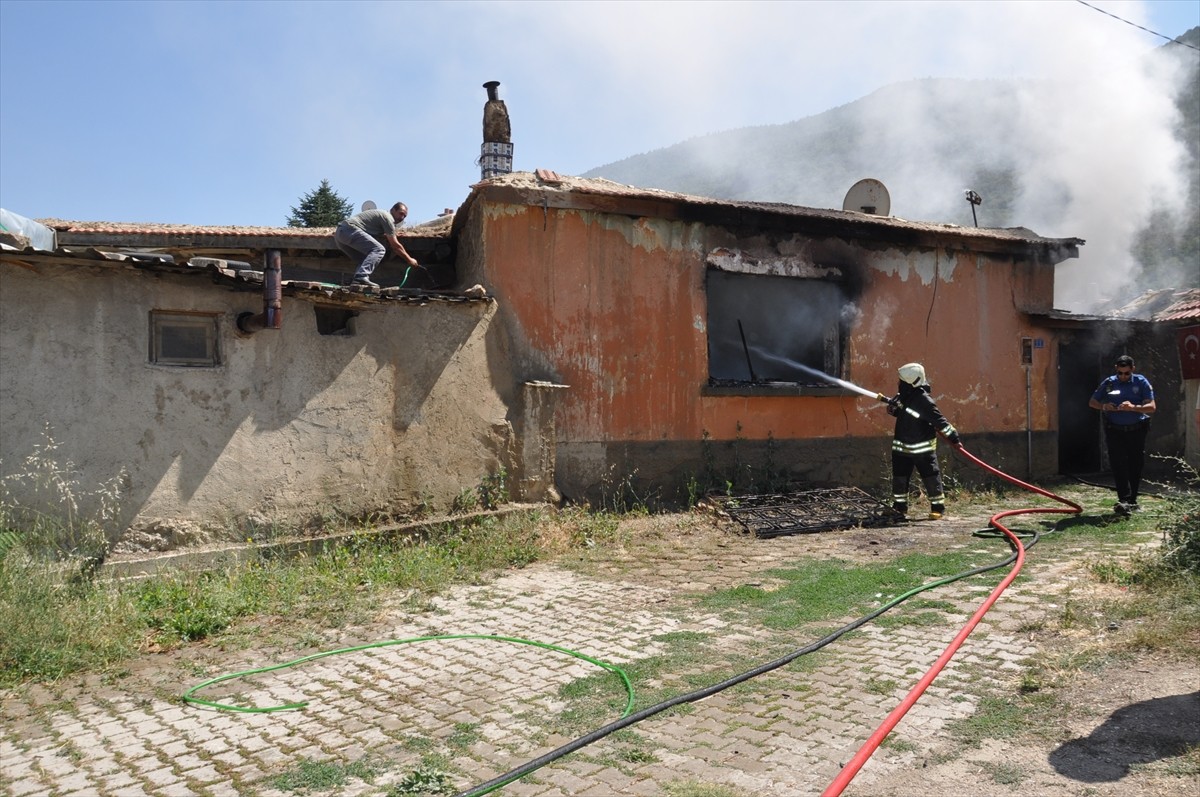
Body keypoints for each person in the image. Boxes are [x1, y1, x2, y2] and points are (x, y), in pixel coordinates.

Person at [886, 362, 961, 520]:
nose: (898, 383)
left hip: (922, 450)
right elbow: (905, 414)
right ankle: (899, 507)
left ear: (911, 383)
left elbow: (940, 422)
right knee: (900, 477)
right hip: (901, 447)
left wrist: (954, 438)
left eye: (902, 381)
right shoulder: (904, 396)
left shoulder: (924, 401)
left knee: (930, 477)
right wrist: (894, 409)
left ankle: (938, 508)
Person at [1088, 355, 1156, 515]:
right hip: (1115, 430)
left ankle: (1133, 500)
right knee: (1118, 464)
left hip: (1137, 429)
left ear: (1133, 369)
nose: (1123, 376)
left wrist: (1133, 407)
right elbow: (1092, 402)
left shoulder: (1141, 382)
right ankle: (1123, 500)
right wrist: (1105, 406)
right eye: (1120, 373)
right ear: (1116, 370)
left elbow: (1151, 407)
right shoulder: (1110, 382)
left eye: (1126, 373)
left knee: (1135, 464)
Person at [333, 202, 419, 288]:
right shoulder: (388, 218)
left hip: (340, 235)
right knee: (379, 250)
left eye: (404, 216)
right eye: (401, 213)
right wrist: (409, 259)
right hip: (350, 230)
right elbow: (395, 246)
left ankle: (356, 281)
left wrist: (393, 233)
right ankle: (361, 277)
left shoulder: (382, 216)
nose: (402, 217)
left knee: (364, 259)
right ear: (392, 210)